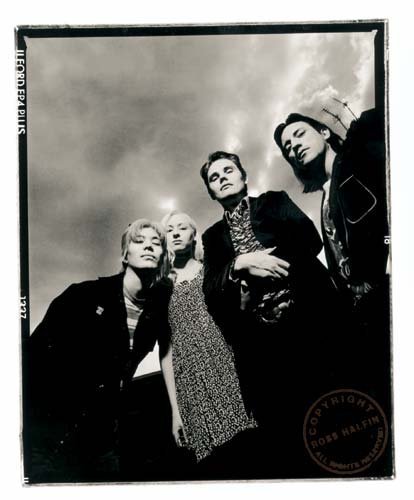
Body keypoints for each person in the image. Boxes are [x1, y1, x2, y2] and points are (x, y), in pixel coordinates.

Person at [200, 151, 341, 478]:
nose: (222, 178)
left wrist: (267, 263)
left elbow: (310, 240)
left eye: (228, 170)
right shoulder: (212, 237)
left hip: (310, 323)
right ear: (211, 192)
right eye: (214, 177)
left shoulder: (274, 201)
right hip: (262, 348)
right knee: (288, 436)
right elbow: (211, 290)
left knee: (334, 412)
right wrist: (240, 264)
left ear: (243, 176)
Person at [26, 219, 172, 483]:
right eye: (139, 241)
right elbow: (32, 357)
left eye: (156, 243)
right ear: (125, 255)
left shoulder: (155, 313)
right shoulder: (83, 296)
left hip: (102, 435)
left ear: (162, 256)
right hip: (51, 432)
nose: (149, 246)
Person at [273, 109, 390, 404]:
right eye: (288, 148)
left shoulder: (356, 160)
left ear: (324, 132)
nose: (294, 147)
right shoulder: (326, 196)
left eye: (300, 134)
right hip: (367, 315)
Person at [159, 211, 258, 479]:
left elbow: (238, 315)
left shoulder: (212, 271)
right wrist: (175, 411)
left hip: (227, 369)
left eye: (182, 227)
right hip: (190, 383)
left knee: (249, 450)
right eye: (169, 229)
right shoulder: (161, 287)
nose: (176, 233)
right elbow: (165, 351)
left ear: (194, 236)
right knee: (215, 467)